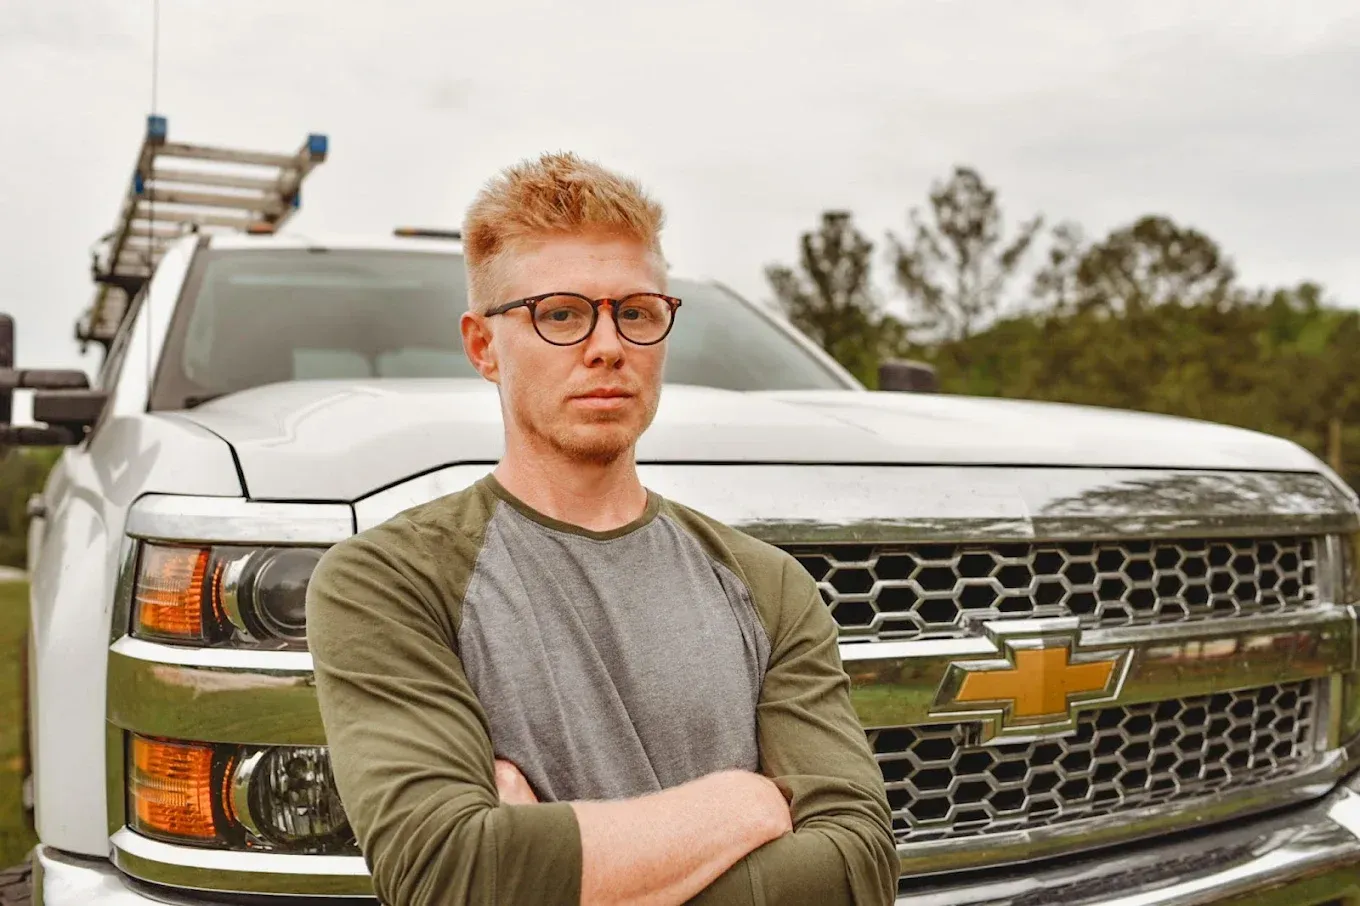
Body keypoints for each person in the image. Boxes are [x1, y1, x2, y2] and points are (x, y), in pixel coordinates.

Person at [305, 152, 899, 906]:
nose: (609, 346)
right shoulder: (389, 580)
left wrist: (545, 864)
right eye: (560, 313)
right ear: (483, 345)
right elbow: (448, 876)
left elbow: (856, 871)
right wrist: (742, 805)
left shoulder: (766, 582)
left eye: (638, 312)